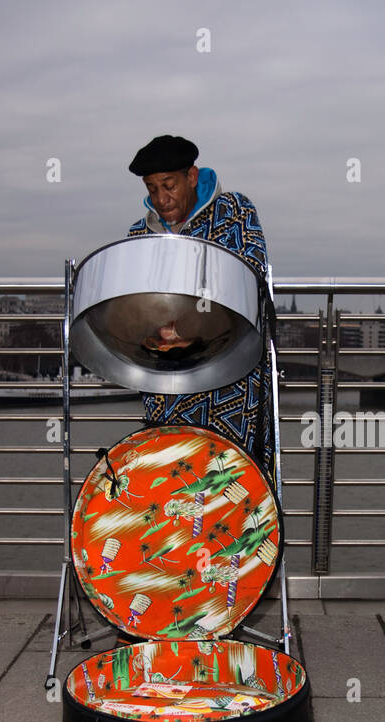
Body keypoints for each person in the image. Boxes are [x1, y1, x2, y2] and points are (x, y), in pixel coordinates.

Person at [125, 134, 275, 478]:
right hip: (168, 389)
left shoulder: (235, 212)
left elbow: (250, 278)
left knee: (232, 489)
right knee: (174, 490)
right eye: (152, 188)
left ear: (192, 177)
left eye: (169, 185)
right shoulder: (139, 235)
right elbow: (134, 308)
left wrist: (186, 324)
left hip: (230, 386)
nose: (161, 199)